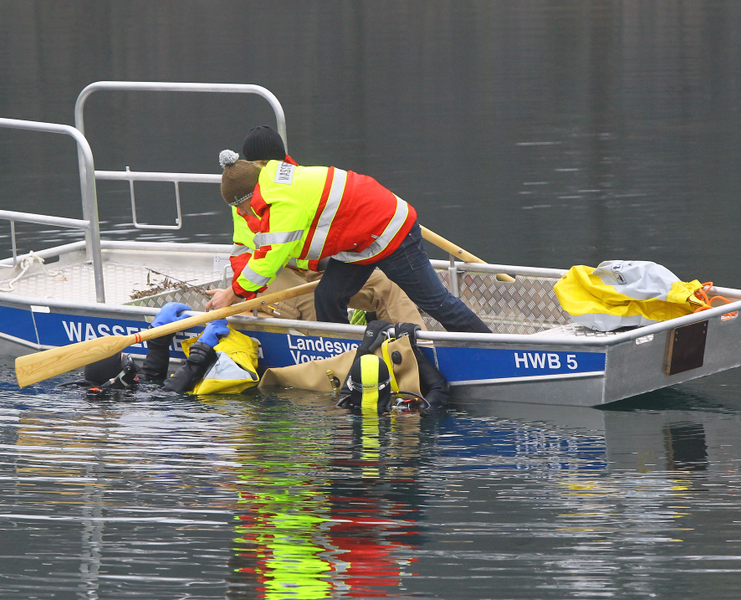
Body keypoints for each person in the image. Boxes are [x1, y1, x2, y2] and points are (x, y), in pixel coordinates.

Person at [206, 156, 491, 334]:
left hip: (390, 232)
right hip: (357, 245)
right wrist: (237, 292)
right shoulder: (274, 182)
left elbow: (269, 259)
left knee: (436, 303)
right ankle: (347, 358)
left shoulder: (282, 204)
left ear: (248, 195)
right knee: (328, 297)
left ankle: (492, 349)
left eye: (240, 207)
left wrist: (231, 294)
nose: (241, 213)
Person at [225, 127, 424, 327]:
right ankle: (342, 346)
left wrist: (330, 263)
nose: (269, 170)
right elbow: (245, 251)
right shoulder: (243, 205)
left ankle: (421, 343)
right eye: (262, 165)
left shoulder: (300, 185)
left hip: (314, 267)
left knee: (387, 285)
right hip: (270, 274)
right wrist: (240, 291)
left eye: (274, 163)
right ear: (249, 166)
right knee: (314, 301)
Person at [71, 302, 254, 397]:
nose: (137, 373)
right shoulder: (135, 405)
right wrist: (203, 348)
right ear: (119, 380)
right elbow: (169, 391)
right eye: (128, 365)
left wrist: (158, 337)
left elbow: (150, 378)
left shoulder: (124, 392)